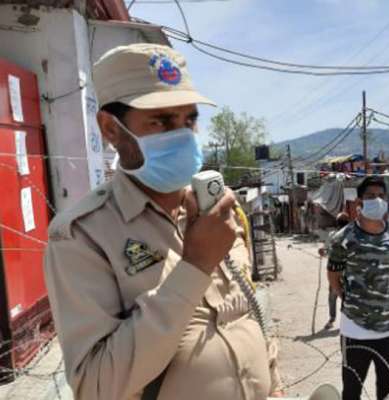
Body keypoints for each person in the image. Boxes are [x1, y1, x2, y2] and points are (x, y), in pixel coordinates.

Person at [42, 44, 283, 400]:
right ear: (110, 128)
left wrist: (274, 384)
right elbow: (96, 386)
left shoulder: (219, 210)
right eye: (161, 121)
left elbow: (248, 311)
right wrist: (195, 266)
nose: (184, 135)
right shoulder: (82, 237)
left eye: (189, 120)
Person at [327, 177, 389, 400]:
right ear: (360, 201)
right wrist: (346, 297)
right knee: (352, 390)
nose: (377, 200)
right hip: (355, 327)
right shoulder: (344, 238)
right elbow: (333, 274)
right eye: (371, 196)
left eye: (381, 196)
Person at [319, 212, 351, 330]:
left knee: (336, 295)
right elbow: (326, 250)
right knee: (341, 294)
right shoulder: (347, 235)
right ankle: (337, 319)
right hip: (341, 270)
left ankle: (335, 319)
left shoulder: (334, 235)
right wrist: (323, 251)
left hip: (336, 270)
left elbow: (326, 250)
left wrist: (323, 251)